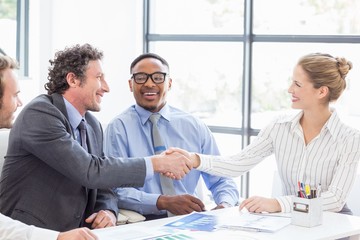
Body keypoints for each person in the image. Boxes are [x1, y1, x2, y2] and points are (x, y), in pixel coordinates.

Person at [0, 44, 192, 232]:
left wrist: (107, 210)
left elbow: (104, 184)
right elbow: (89, 170)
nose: (106, 88)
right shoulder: (40, 113)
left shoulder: (92, 124)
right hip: (33, 232)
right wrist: (157, 164)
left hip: (79, 233)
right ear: (73, 80)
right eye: (99, 77)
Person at [169, 53, 360, 215]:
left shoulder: (349, 138)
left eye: (297, 84)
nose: (289, 89)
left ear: (322, 92)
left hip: (333, 222)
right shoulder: (279, 127)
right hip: (292, 220)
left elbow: (335, 200)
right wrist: (194, 159)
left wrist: (277, 204)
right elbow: (239, 162)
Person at [104, 53, 239, 220]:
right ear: (130, 84)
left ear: (169, 83)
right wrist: (163, 201)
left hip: (192, 219)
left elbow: (222, 179)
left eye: (158, 77)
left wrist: (223, 206)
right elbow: (115, 190)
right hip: (143, 222)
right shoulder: (118, 129)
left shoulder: (194, 126)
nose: (149, 83)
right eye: (140, 78)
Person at [0, 54, 99, 239]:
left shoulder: (93, 124)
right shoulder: (40, 113)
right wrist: (58, 237)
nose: (20, 103)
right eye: (15, 95)